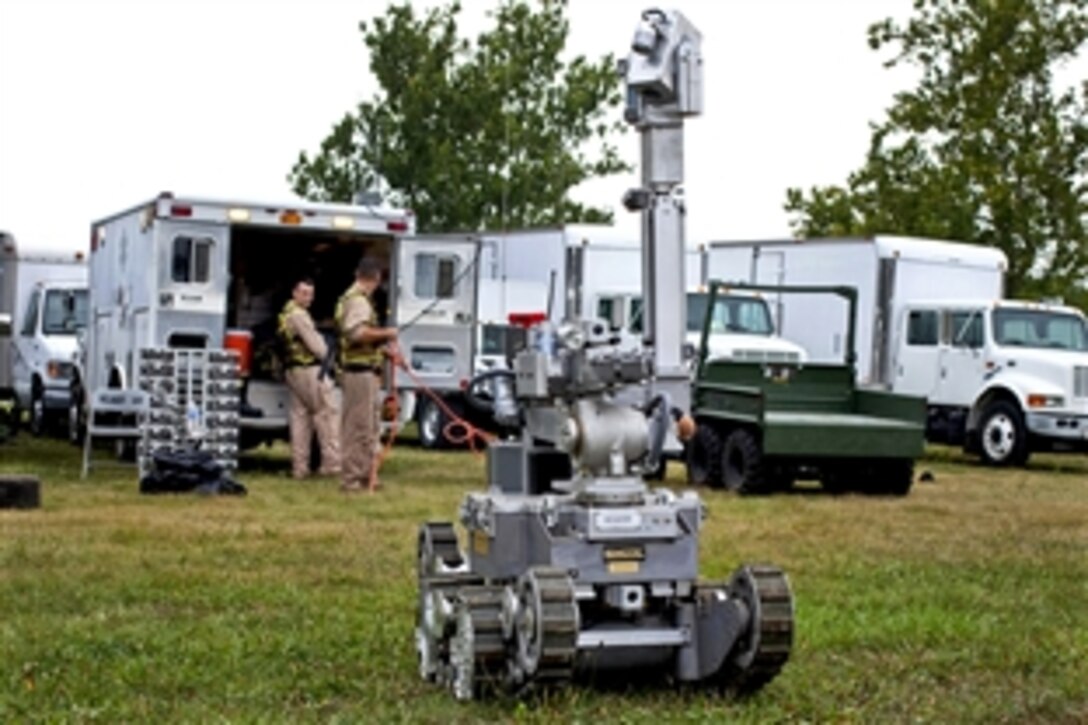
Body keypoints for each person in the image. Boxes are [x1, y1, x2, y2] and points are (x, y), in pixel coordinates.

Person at [336, 258, 397, 493]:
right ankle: (352, 480)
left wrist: (382, 351)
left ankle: (366, 478)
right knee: (358, 428)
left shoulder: (352, 298)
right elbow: (357, 334)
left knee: (369, 427)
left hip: (363, 370)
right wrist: (386, 333)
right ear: (376, 279)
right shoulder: (359, 301)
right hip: (359, 373)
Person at [278, 277, 341, 479]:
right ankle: (331, 464)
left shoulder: (286, 313)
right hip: (310, 370)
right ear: (294, 293)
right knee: (327, 413)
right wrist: (333, 361)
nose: (308, 298)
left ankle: (300, 468)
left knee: (300, 419)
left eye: (311, 294)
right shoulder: (299, 315)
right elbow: (317, 346)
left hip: (293, 371)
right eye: (304, 293)